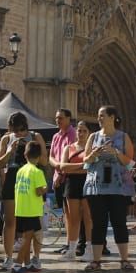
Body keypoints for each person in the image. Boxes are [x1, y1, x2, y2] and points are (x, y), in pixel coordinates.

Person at [82, 105, 136, 272]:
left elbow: (129, 161)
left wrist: (115, 152)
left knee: (119, 222)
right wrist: (93, 155)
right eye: (99, 116)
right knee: (98, 224)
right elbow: (85, 161)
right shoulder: (93, 137)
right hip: (97, 187)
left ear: (112, 117)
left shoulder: (123, 136)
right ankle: (96, 261)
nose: (99, 118)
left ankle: (124, 260)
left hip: (118, 188)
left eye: (102, 115)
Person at [49, 108, 87, 258]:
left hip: (69, 177)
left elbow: (73, 158)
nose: (58, 121)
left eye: (61, 118)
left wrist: (62, 169)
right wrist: (58, 166)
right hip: (60, 176)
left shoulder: (73, 133)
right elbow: (51, 156)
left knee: (81, 214)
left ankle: (81, 243)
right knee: (68, 213)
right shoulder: (56, 136)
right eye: (56, 118)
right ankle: (69, 243)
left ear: (69, 119)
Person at [9, 141, 48, 273]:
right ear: (39, 156)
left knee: (26, 237)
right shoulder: (37, 172)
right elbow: (38, 191)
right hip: (32, 211)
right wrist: (45, 188)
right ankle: (17, 265)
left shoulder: (20, 171)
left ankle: (27, 264)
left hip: (20, 210)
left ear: (25, 155)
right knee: (28, 239)